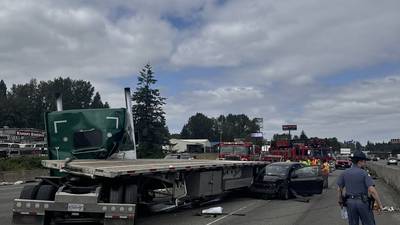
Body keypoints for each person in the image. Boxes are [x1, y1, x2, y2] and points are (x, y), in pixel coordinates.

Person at [337, 151, 383, 225]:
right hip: (363, 203)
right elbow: (372, 190)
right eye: (364, 161)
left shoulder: (344, 173)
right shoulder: (364, 173)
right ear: (360, 161)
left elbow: (339, 189)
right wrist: (379, 204)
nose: (365, 163)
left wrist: (340, 201)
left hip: (350, 203)